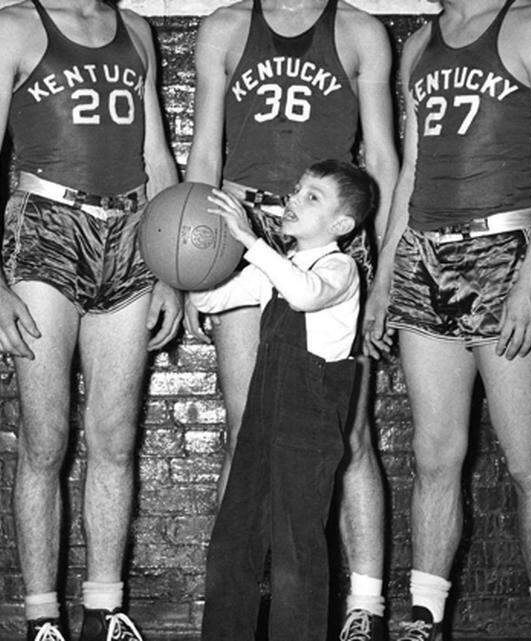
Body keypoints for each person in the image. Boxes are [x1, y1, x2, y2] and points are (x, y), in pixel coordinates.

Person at [0, 1, 181, 640]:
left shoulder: (136, 29)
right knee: (45, 439)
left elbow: (158, 158)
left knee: (115, 437)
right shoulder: (12, 27)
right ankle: (42, 618)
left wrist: (169, 269)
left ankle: (105, 609)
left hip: (133, 233)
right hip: (47, 229)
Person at [362, 0, 531, 639]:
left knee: (528, 458)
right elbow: (408, 176)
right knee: (434, 456)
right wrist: (384, 281)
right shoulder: (420, 44)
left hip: (502, 253)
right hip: (424, 254)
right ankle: (424, 618)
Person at [182, 2, 399, 637]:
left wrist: (381, 273)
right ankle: (247, 610)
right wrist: (192, 272)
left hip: (325, 235)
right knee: (248, 430)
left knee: (346, 436)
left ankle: (364, 609)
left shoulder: (358, 31)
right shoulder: (225, 28)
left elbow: (382, 162)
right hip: (242, 225)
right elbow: (203, 157)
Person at [192, 160, 375, 641]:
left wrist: (252, 242)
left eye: (312, 196)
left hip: (308, 422)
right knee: (235, 539)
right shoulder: (283, 266)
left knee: (297, 552)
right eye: (296, 189)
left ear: (340, 225)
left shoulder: (340, 268)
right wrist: (199, 255)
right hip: (263, 416)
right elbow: (213, 300)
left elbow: (305, 296)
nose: (293, 199)